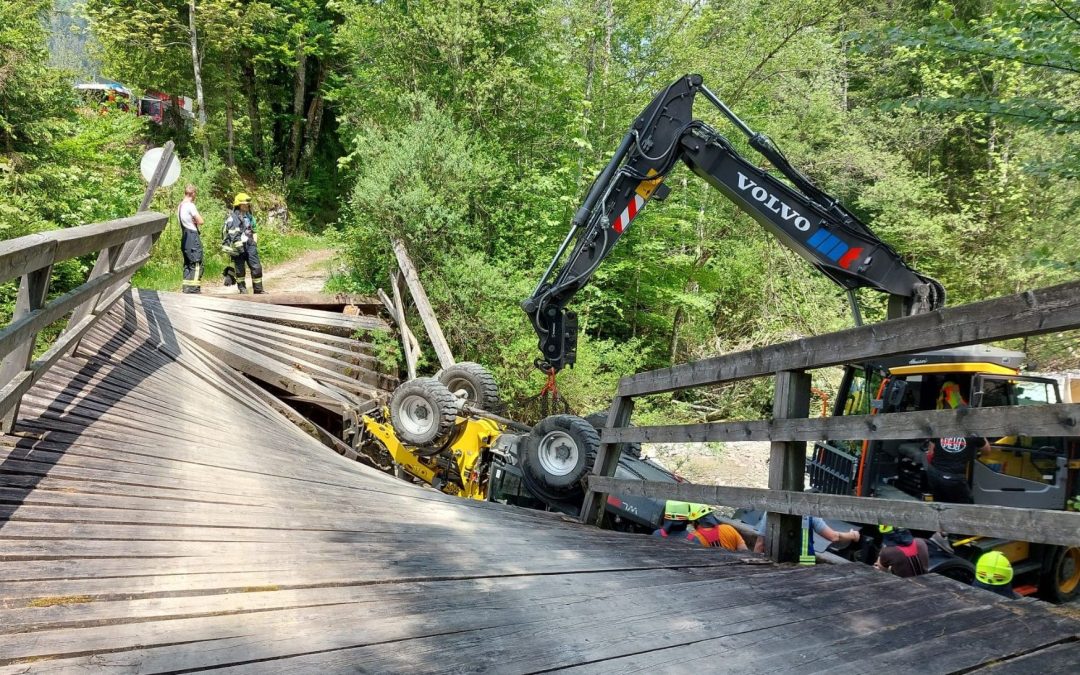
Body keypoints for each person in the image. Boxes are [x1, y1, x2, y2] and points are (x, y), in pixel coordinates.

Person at [926, 383, 990, 503]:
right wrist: (981, 431)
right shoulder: (972, 432)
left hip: (935, 473)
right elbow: (987, 451)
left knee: (939, 505)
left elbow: (930, 451)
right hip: (955, 478)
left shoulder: (942, 427)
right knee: (965, 507)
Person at [752, 514, 860, 554]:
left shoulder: (771, 513)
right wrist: (853, 535)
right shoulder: (809, 515)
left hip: (778, 563)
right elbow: (834, 537)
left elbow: (760, 544)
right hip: (805, 566)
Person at [222, 192, 264, 294]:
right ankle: (242, 290)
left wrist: (254, 242)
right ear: (239, 205)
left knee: (256, 267)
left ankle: (258, 290)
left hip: (250, 245)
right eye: (245, 203)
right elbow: (232, 235)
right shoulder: (232, 218)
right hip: (238, 247)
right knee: (240, 270)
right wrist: (238, 248)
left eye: (247, 203)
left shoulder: (250, 217)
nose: (247, 205)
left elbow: (254, 230)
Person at [178, 184, 204, 294]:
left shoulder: (180, 206)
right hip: (192, 236)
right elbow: (201, 221)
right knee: (196, 263)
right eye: (195, 194)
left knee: (188, 263)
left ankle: (186, 288)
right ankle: (194, 289)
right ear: (192, 194)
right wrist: (196, 220)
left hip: (184, 236)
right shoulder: (190, 205)